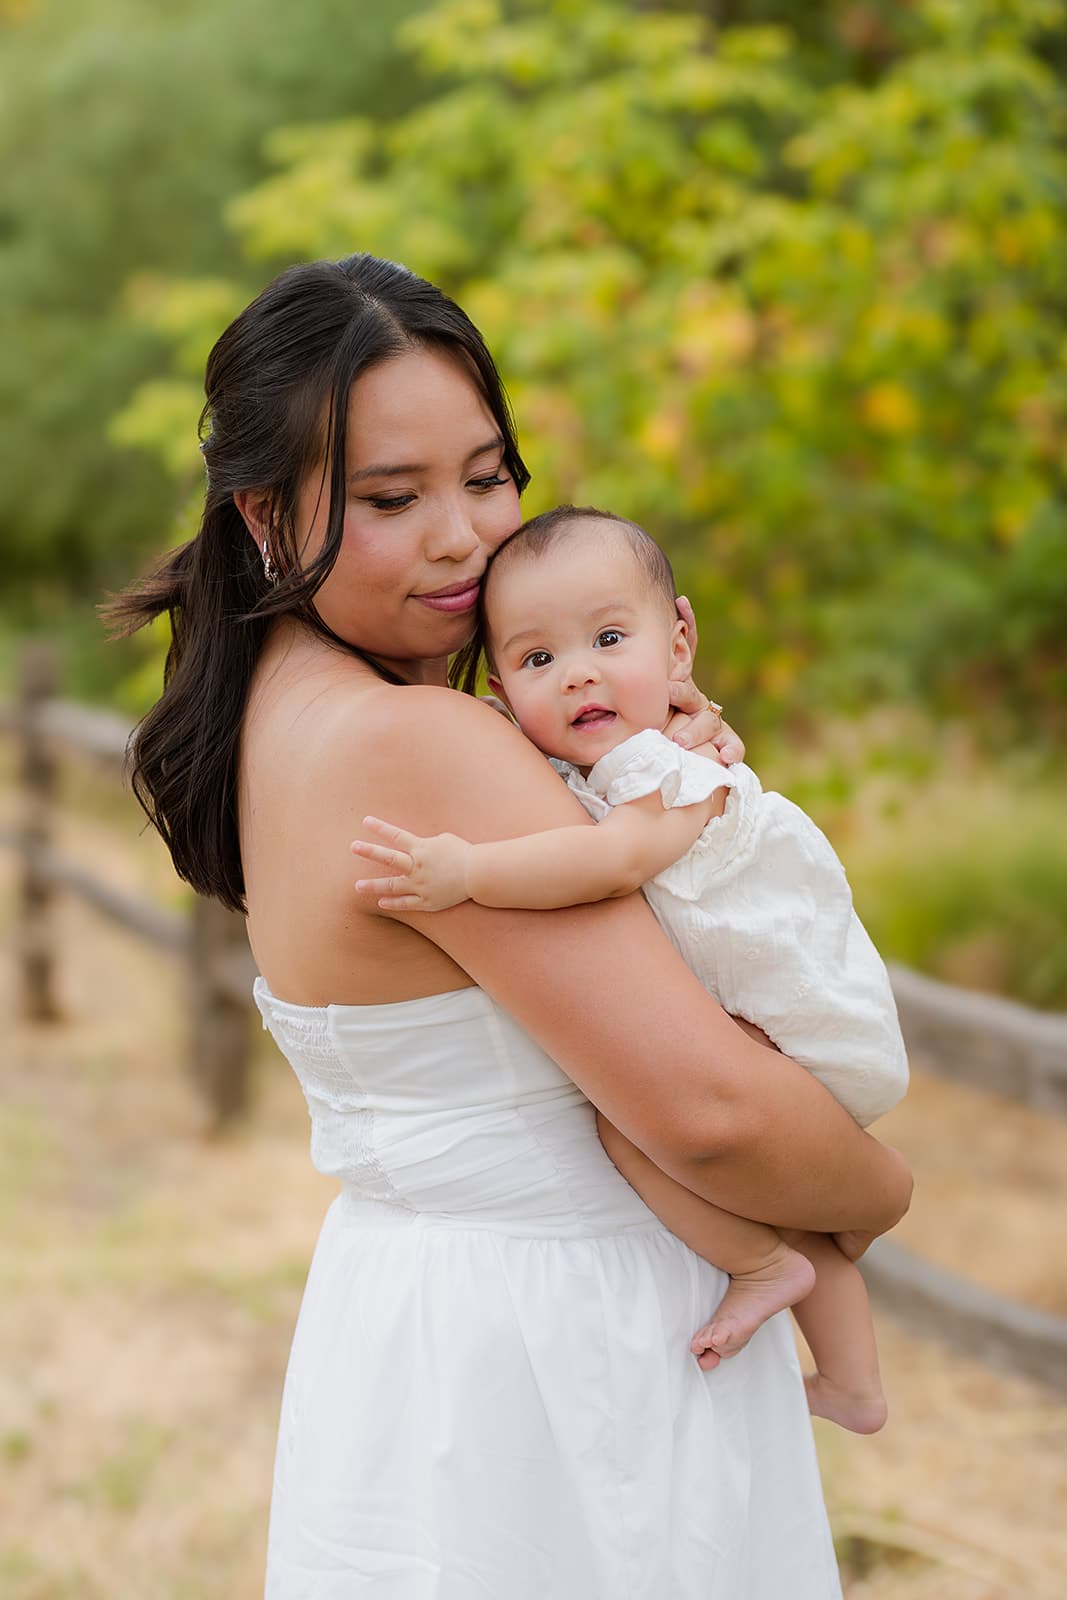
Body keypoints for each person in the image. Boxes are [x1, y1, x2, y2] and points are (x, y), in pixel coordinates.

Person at [109, 253, 911, 1598]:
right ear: (261, 515)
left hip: (416, 1336)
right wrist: (877, 1197)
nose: (463, 539)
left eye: (486, 479)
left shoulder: (285, 715)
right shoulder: (416, 741)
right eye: (388, 499)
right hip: (567, 1354)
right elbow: (708, 1113)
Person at [351, 503, 910, 1436]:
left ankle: (760, 1266)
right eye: (537, 662)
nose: (578, 672)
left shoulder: (667, 764)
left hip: (800, 1019)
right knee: (798, 1218)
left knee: (626, 1130)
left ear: (678, 640)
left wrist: (467, 873)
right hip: (760, 1020)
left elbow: (610, 864)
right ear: (500, 686)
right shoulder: (594, 759)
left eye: (610, 638)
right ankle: (854, 1385)